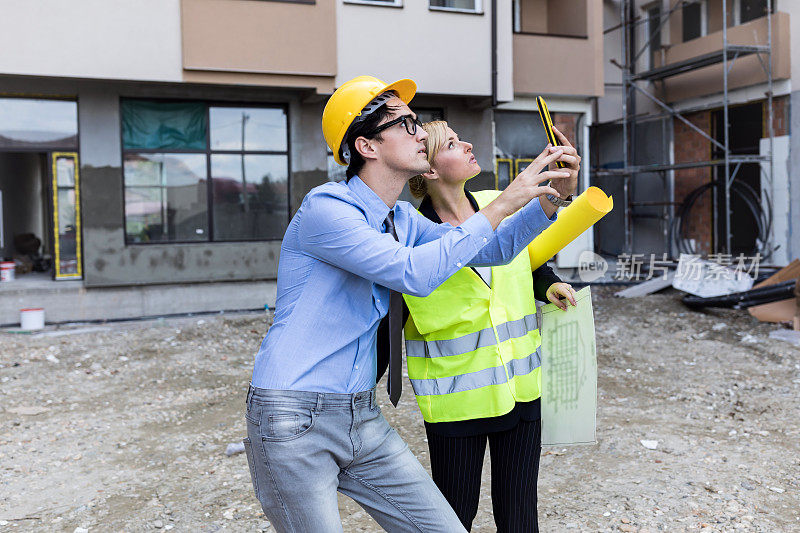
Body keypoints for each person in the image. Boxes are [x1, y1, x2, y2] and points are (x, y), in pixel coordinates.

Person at [243, 75, 572, 532]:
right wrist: (506, 200)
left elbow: (490, 250)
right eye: (406, 124)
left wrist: (552, 197)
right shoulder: (327, 209)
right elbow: (413, 274)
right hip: (294, 414)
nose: (421, 134)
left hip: (360, 413)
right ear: (367, 146)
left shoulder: (400, 218)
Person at [402, 120, 580, 532]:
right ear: (428, 170)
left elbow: (523, 254)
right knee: (451, 519)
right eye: (450, 143)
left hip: (520, 386)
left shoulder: (495, 200)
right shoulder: (413, 235)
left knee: (520, 517)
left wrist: (548, 281)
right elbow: (477, 251)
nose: (466, 144)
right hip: (457, 399)